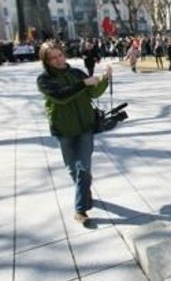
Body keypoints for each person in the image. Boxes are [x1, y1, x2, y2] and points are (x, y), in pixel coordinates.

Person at [36, 41, 111, 226]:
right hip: (64, 130)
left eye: (59, 55)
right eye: (52, 58)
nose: (58, 60)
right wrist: (83, 83)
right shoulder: (44, 80)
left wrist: (104, 79)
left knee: (83, 167)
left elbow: (93, 93)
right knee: (73, 169)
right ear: (46, 61)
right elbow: (61, 96)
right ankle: (85, 192)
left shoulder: (76, 73)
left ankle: (80, 210)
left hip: (85, 127)